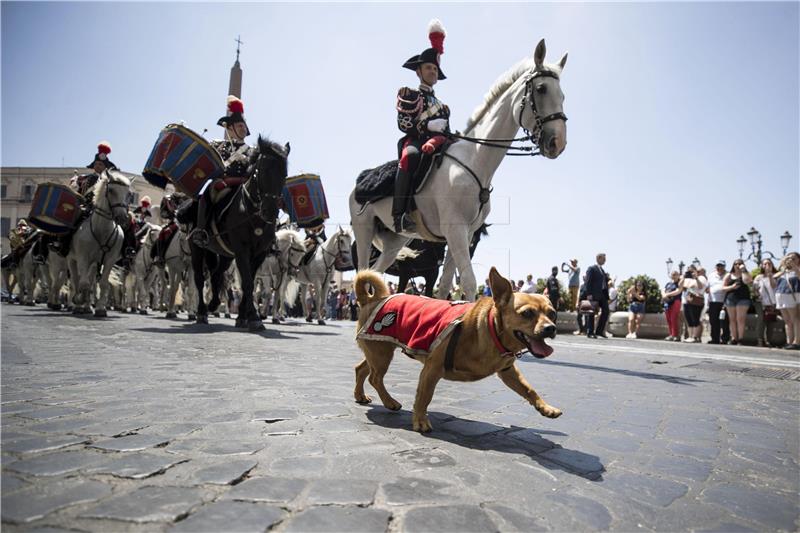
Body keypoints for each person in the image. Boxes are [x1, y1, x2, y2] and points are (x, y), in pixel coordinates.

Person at [393, 19, 450, 233]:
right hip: (416, 141)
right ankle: (399, 215)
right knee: (410, 157)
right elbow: (404, 124)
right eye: (428, 68)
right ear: (418, 71)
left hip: (439, 144)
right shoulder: (410, 95)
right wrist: (429, 131)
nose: (433, 71)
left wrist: (440, 138)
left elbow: (447, 132)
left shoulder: (443, 107)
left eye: (435, 68)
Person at [190, 95, 254, 247]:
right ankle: (201, 230)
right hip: (221, 184)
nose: (243, 128)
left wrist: (238, 180)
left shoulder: (252, 151)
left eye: (244, 126)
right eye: (239, 126)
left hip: (243, 186)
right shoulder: (219, 146)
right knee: (206, 195)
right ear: (230, 129)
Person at [51, 142, 118, 257]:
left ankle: (119, 253)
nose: (98, 166)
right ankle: (63, 244)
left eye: (101, 165)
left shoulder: (110, 183)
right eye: (97, 164)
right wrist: (74, 184)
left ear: (105, 168)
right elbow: (75, 193)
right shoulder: (83, 178)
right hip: (86, 207)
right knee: (72, 218)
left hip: (102, 208)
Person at [722, 259, 752, 345]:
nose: (738, 265)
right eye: (736, 264)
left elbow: (748, 281)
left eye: (740, 264)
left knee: (740, 319)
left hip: (743, 298)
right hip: (730, 298)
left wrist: (744, 270)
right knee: (732, 320)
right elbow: (723, 288)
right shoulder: (729, 275)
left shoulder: (745, 273)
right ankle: (734, 338)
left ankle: (741, 339)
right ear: (733, 265)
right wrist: (732, 287)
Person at [774, 252, 800, 349]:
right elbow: (774, 279)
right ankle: (789, 341)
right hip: (782, 295)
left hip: (793, 295)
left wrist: (795, 267)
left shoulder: (797, 270)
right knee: (787, 321)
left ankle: (796, 342)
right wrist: (783, 264)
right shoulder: (783, 271)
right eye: (789, 258)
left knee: (796, 319)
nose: (791, 260)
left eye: (794, 258)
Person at [753, 259, 777, 347]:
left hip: (772, 302)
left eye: (769, 263)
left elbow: (774, 286)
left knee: (770, 322)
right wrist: (757, 294)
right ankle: (760, 340)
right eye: (765, 263)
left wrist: (770, 275)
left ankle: (769, 340)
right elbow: (754, 289)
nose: (767, 265)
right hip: (760, 302)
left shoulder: (775, 275)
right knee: (761, 319)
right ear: (762, 266)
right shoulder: (758, 277)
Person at [585, 253, 610, 338]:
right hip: (594, 294)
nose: (605, 261)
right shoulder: (591, 268)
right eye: (604, 259)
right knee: (591, 312)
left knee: (606, 311)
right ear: (598, 258)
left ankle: (599, 331)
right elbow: (588, 282)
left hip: (603, 294)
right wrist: (589, 294)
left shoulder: (602, 270)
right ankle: (590, 332)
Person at [706, 260, 731, 344]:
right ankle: (715, 339)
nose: (719, 268)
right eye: (718, 266)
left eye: (721, 266)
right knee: (713, 321)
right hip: (713, 301)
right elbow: (707, 288)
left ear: (724, 266)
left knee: (724, 321)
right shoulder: (711, 275)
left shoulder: (728, 275)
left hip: (724, 301)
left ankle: (725, 339)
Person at [680, 265, 706, 343]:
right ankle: (690, 336)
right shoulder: (686, 278)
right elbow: (680, 286)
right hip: (687, 301)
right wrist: (684, 277)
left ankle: (695, 337)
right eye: (688, 271)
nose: (690, 273)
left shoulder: (701, 278)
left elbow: (700, 286)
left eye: (692, 271)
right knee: (689, 320)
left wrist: (696, 278)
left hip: (696, 301)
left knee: (695, 319)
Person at [662, 271, 683, 341]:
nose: (673, 276)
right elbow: (663, 290)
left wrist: (667, 295)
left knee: (674, 318)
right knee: (669, 319)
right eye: (672, 275)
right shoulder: (668, 284)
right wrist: (663, 295)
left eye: (675, 275)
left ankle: (676, 335)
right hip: (667, 303)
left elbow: (678, 291)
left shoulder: (679, 283)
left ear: (678, 275)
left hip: (676, 301)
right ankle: (671, 334)